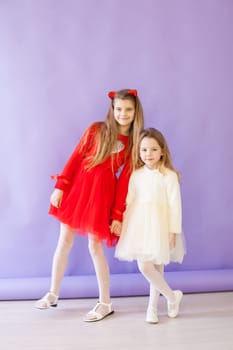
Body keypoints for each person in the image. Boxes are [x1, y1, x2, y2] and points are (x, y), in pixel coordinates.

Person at [35, 89, 144, 322]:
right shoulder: (96, 130)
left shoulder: (135, 142)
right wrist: (61, 186)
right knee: (64, 240)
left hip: (102, 195)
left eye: (128, 110)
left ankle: (105, 303)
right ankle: (53, 293)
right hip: (78, 189)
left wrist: (117, 215)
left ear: (135, 112)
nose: (123, 114)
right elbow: (75, 158)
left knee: (95, 247)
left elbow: (125, 181)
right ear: (112, 109)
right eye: (119, 109)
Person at [114, 127, 185, 324]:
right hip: (140, 225)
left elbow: (175, 206)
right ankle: (172, 297)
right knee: (146, 266)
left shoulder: (169, 176)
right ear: (139, 152)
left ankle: (152, 308)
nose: (148, 154)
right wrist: (121, 222)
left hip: (161, 226)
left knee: (157, 267)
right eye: (144, 150)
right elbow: (129, 201)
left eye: (153, 149)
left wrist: (173, 232)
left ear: (162, 151)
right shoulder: (136, 175)